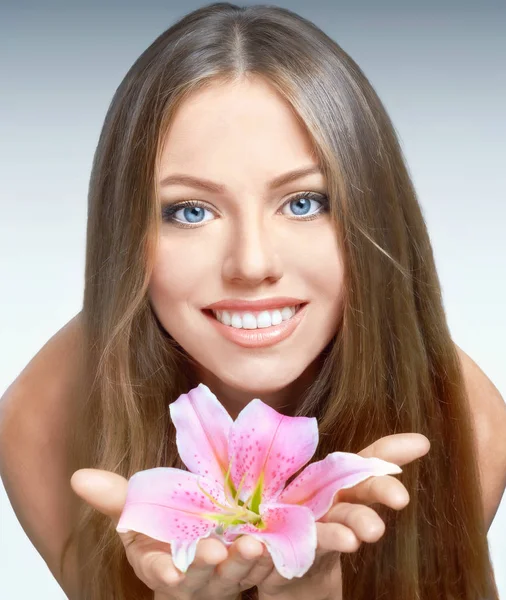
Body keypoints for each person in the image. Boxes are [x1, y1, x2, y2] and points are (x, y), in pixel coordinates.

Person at [1, 3, 505, 599]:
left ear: (372, 218)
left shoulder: (465, 423)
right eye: (191, 211)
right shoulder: (43, 426)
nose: (252, 265)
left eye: (303, 203)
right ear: (126, 236)